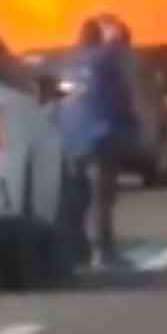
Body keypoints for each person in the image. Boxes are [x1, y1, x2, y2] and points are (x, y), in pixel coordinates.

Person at [58, 14, 141, 267]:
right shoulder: (105, 60)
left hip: (71, 139)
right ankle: (104, 253)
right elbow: (119, 96)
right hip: (100, 137)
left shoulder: (69, 62)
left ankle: (74, 252)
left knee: (76, 200)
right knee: (102, 198)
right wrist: (131, 126)